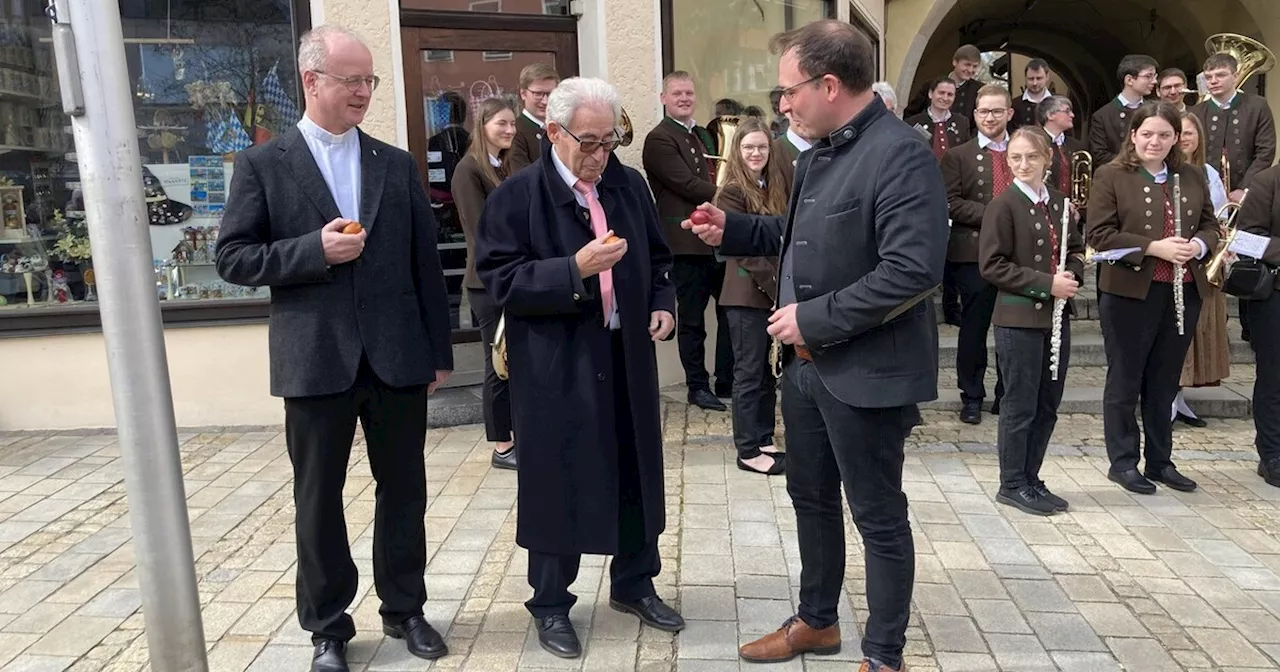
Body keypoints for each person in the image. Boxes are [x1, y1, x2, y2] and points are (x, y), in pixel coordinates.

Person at [684, 19, 947, 672]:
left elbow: (913, 270)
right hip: (806, 373)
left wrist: (815, 319)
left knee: (878, 517)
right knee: (811, 500)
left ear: (829, 85)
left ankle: (885, 658)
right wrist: (733, 229)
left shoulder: (900, 153)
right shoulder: (817, 154)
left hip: (868, 373)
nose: (782, 103)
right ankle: (818, 622)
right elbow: (799, 235)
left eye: (788, 90)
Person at [214, 26, 453, 672]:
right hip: (315, 359)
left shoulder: (393, 163)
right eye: (351, 80)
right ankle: (327, 625)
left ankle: (404, 608)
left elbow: (422, 264)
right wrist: (311, 251)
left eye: (368, 80)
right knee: (317, 499)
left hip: (396, 356)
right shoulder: (263, 164)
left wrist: (439, 350)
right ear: (310, 81)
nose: (362, 92)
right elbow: (232, 257)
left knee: (404, 490)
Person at [474, 76, 684, 660]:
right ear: (553, 132)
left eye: (609, 141)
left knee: (637, 469)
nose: (599, 154)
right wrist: (574, 269)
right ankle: (549, 604)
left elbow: (660, 259)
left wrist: (663, 305)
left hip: (626, 357)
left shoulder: (628, 185)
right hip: (557, 365)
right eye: (587, 142)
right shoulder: (517, 197)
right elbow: (501, 281)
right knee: (558, 479)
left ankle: (635, 583)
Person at [1087, 102, 1220, 495]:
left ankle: (1160, 461)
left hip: (1182, 292)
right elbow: (1099, 233)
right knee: (1126, 379)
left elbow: (1212, 224)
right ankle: (1123, 462)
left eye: (1164, 134)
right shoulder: (1111, 175)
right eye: (1147, 134)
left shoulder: (1191, 175)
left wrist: (1199, 244)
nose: (1154, 141)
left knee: (1164, 382)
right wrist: (1153, 247)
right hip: (1129, 293)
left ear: (1177, 138)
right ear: (1133, 135)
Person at [978, 127, 1084, 516]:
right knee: (1020, 404)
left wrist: (1071, 275)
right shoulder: (1002, 205)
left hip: (1057, 318)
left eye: (1031, 157)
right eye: (1016, 158)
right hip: (1018, 318)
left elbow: (1075, 248)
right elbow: (991, 266)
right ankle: (1012, 483)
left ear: (1047, 159)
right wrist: (1046, 284)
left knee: (1048, 404)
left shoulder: (1059, 202)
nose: (1024, 164)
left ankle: (1032, 476)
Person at [642, 71, 735, 410]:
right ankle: (698, 386)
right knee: (692, 320)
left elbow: (718, 169)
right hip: (684, 243)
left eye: (689, 93)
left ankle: (727, 379)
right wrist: (737, 197)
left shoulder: (704, 135)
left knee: (730, 313)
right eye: (677, 93)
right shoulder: (658, 138)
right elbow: (687, 183)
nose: (684, 98)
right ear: (663, 98)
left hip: (719, 239)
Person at [713, 118, 788, 476]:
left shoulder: (773, 185)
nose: (756, 153)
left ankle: (764, 436)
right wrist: (778, 287)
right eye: (748, 147)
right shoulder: (731, 191)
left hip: (771, 291)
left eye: (761, 147)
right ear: (737, 151)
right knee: (748, 374)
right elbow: (741, 248)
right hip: (745, 293)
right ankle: (747, 449)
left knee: (768, 372)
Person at [452, 97, 519, 469]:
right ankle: (502, 446)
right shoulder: (469, 169)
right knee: (497, 364)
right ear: (483, 126)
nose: (508, 130)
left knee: (514, 363)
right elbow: (480, 230)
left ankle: (517, 436)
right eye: (501, 124)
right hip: (487, 281)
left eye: (512, 125)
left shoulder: (503, 166)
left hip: (510, 277)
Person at [941, 83, 1013, 424]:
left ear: (1009, 113)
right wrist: (999, 214)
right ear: (975, 114)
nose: (989, 117)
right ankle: (971, 395)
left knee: (1013, 329)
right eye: (984, 111)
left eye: (997, 111)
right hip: (973, 256)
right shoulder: (958, 155)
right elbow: (951, 203)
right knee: (974, 330)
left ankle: (1006, 393)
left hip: (1019, 256)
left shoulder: (1026, 150)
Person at [1172, 111, 1230, 428]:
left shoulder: (1208, 172)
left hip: (1205, 259)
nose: (1184, 139)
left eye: (1189, 133)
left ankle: (1179, 400)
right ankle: (1166, 399)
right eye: (1178, 133)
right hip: (1174, 260)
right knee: (1177, 332)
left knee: (1198, 334)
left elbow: (1219, 217)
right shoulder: (1164, 171)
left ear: (1199, 138)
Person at [1232, 163, 1280, 488]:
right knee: (1274, 380)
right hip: (1275, 296)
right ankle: (1272, 454)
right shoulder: (1268, 181)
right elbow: (1246, 239)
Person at [1089, 54, 1158, 167]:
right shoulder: (1102, 115)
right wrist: (1134, 161)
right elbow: (1099, 155)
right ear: (1129, 80)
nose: (1154, 81)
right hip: (1118, 177)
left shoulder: (1155, 110)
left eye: (1154, 76)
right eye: (1148, 76)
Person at [903, 44, 983, 121]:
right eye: (967, 64)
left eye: (975, 66)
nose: (970, 70)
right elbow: (911, 114)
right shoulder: (931, 84)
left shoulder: (980, 90)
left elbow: (980, 122)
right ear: (955, 62)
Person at [903, 77, 972, 161]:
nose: (945, 98)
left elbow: (967, 154)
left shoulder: (962, 122)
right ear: (930, 94)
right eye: (941, 93)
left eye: (950, 94)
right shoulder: (912, 123)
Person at [508, 62, 560, 173]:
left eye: (550, 94)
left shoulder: (563, 128)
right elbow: (521, 176)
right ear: (523, 93)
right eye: (538, 94)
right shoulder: (515, 131)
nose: (545, 101)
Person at [1037, 95, 1089, 200]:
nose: (1072, 115)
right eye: (1067, 111)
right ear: (1050, 115)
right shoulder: (1035, 143)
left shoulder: (1077, 145)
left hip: (1075, 212)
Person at [1010, 58, 1052, 130]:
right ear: (1025, 78)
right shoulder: (1014, 104)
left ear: (1047, 77)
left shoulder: (1058, 102)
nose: (1034, 83)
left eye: (1039, 78)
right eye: (1031, 79)